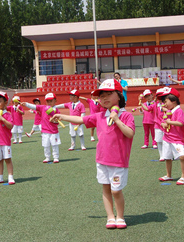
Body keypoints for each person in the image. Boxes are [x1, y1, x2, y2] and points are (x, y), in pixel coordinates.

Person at [51, 79, 135, 229]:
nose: (104, 98)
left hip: (119, 161)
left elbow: (130, 133)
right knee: (106, 189)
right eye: (101, 95)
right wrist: (62, 117)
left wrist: (116, 119)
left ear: (119, 95)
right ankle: (110, 217)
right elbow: (81, 119)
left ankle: (120, 217)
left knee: (116, 191)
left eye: (109, 94)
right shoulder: (99, 116)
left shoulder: (126, 116)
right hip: (102, 160)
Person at [157, 87, 184, 185]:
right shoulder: (168, 112)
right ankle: (168, 175)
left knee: (182, 157)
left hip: (177, 139)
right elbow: (163, 122)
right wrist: (164, 124)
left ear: (174, 101)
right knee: (167, 157)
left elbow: (181, 122)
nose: (164, 104)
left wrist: (170, 122)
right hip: (167, 138)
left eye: (166, 101)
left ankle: (183, 176)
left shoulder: (179, 111)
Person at [21, 93, 62, 163]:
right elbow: (34, 107)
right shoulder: (43, 107)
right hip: (45, 131)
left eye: (51, 101)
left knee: (54, 145)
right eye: (47, 101)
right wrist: (26, 104)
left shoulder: (56, 110)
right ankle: (47, 157)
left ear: (55, 101)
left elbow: (58, 121)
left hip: (54, 131)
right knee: (46, 145)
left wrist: (54, 121)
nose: (49, 102)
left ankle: (56, 157)